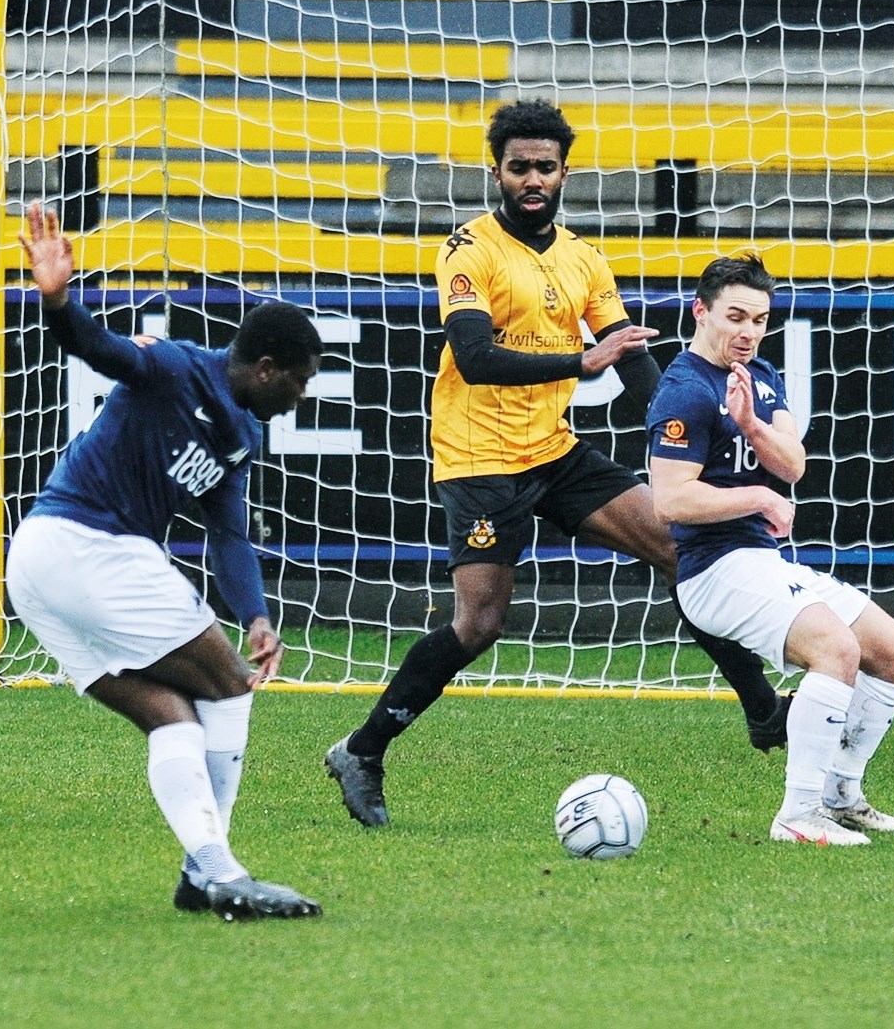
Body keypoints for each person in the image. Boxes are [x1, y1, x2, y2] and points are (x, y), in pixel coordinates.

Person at [324, 99, 786, 827]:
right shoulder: (467, 251)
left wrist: (689, 428)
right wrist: (580, 361)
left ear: (564, 172)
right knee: (479, 623)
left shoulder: (583, 257)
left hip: (553, 446)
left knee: (678, 544)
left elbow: (629, 358)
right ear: (498, 173)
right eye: (519, 167)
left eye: (545, 166)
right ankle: (362, 749)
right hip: (479, 457)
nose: (532, 179)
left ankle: (762, 709)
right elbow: (475, 356)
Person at [9, 202, 324, 920]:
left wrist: (256, 615)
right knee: (231, 688)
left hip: (44, 569)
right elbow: (98, 348)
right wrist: (57, 299)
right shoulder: (173, 367)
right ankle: (222, 872)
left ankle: (201, 871)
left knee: (175, 718)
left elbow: (229, 535)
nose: (300, 396)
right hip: (86, 544)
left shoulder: (242, 435)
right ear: (266, 368)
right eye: (299, 381)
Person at [645, 254, 894, 845]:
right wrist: (757, 498)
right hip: (711, 570)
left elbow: (792, 465)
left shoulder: (761, 375)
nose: (748, 332)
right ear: (700, 312)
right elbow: (669, 501)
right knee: (835, 649)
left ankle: (841, 795)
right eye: (735, 317)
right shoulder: (685, 390)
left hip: (760, 561)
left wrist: (751, 425)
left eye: (760, 320)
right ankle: (798, 814)